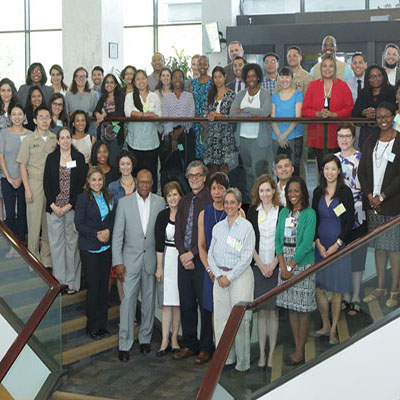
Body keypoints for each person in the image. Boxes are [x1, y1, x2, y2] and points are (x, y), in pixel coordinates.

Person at [113, 169, 165, 362]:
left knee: (149, 302)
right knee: (127, 303)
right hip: (129, 262)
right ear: (136, 182)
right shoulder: (124, 203)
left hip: (151, 260)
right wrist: (117, 261)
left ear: (152, 183)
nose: (144, 185)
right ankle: (124, 343)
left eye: (148, 182)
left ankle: (145, 339)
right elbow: (117, 234)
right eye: (141, 182)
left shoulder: (160, 202)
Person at [208, 187, 255, 372]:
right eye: (226, 202)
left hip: (240, 277)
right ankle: (225, 359)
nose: (228, 206)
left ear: (239, 204)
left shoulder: (246, 227)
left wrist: (229, 277)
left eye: (232, 202)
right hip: (219, 278)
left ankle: (243, 363)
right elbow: (210, 255)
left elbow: (246, 257)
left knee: (241, 320)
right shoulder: (217, 228)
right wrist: (219, 275)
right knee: (221, 320)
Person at [358, 102, 400, 308]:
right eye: (379, 117)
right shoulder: (370, 140)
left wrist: (382, 196)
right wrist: (370, 196)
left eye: (387, 116)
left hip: (392, 203)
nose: (383, 120)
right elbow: (362, 171)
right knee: (379, 248)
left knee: (394, 249)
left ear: (393, 116)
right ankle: (380, 287)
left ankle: (394, 290)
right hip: (372, 203)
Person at [173, 161, 213, 364]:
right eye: (191, 176)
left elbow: (211, 233)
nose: (194, 179)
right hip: (183, 260)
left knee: (205, 306)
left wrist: (193, 254)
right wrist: (183, 253)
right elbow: (178, 230)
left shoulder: (211, 200)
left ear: (204, 177)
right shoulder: (184, 200)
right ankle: (190, 344)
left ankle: (206, 348)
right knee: (186, 304)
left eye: (198, 175)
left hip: (202, 261)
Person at [312, 154, 354, 344]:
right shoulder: (317, 192)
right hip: (320, 248)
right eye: (326, 168)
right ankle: (325, 324)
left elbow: (349, 222)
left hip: (339, 247)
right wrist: (318, 243)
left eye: (333, 168)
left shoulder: (345, 193)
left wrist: (337, 244)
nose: (329, 172)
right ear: (323, 171)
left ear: (339, 171)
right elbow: (314, 220)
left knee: (337, 290)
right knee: (319, 288)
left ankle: (334, 329)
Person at [276, 177, 316, 365]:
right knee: (292, 306)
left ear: (303, 193)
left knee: (303, 308)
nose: (292, 195)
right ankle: (297, 347)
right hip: (285, 266)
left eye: (296, 191)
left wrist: (291, 267)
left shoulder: (309, 214)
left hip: (302, 266)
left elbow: (307, 244)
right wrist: (283, 267)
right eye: (289, 191)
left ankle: (300, 350)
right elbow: (278, 240)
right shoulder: (284, 212)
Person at [44, 128, 86, 294]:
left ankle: (72, 283)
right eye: (62, 138)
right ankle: (59, 283)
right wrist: (54, 205)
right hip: (54, 210)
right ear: (57, 141)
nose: (65, 140)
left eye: (68, 137)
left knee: (72, 246)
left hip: (72, 209)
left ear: (71, 139)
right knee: (56, 246)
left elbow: (81, 185)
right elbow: (46, 184)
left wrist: (69, 205)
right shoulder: (51, 159)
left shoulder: (79, 158)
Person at [75, 166, 115, 339]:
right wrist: (97, 235)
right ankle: (92, 327)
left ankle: (102, 325)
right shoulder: (83, 198)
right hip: (90, 248)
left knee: (103, 288)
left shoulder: (108, 196)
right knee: (93, 288)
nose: (97, 183)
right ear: (88, 181)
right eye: (94, 180)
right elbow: (79, 224)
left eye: (99, 179)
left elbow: (113, 218)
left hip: (106, 248)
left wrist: (108, 231)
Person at [247, 174, 282, 371]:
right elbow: (250, 241)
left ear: (273, 191)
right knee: (261, 313)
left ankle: (271, 355)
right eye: (262, 190)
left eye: (268, 190)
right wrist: (260, 264)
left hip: (276, 267)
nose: (265, 194)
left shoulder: (282, 211)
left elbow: (284, 240)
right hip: (259, 267)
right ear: (257, 193)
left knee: (274, 313)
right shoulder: (252, 211)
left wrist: (274, 264)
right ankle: (261, 354)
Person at [17, 106, 57, 268]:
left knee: (49, 224)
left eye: (47, 117)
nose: (44, 120)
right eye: (41, 117)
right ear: (34, 120)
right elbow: (22, 166)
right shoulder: (28, 140)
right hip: (34, 184)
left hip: (52, 186)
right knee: (33, 225)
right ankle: (33, 260)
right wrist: (27, 188)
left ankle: (47, 260)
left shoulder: (56, 139)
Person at [335, 123, 368, 316]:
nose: (344, 139)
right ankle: (345, 296)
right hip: (338, 215)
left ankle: (355, 296)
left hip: (358, 214)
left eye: (347, 136)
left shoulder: (361, 158)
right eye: (341, 136)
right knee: (342, 256)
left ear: (353, 137)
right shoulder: (334, 159)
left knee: (357, 257)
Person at [302, 53, 353, 171]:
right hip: (317, 135)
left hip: (337, 136)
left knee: (337, 169)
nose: (327, 69)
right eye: (324, 66)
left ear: (335, 69)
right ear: (320, 68)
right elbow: (305, 110)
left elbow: (349, 108)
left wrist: (334, 114)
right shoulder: (313, 86)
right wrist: (317, 114)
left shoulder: (343, 86)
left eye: (331, 66)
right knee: (321, 169)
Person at [230, 63, 272, 203]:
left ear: (258, 77)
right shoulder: (241, 94)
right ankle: (251, 202)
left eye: (253, 76)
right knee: (248, 171)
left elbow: (265, 112)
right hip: (243, 139)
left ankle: (262, 201)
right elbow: (232, 114)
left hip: (259, 140)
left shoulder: (264, 93)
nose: (251, 79)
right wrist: (252, 114)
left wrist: (245, 110)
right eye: (248, 77)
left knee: (257, 171)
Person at [155, 181, 184, 357]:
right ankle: (164, 339)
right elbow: (158, 243)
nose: (173, 198)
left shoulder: (185, 214)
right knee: (166, 304)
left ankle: (174, 339)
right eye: (169, 195)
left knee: (178, 303)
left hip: (181, 260)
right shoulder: (162, 216)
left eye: (175, 194)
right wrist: (159, 268)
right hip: (166, 259)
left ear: (180, 196)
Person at [0, 104, 31, 257]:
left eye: (20, 114)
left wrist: (20, 178)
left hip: (24, 179)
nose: (17, 117)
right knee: (10, 214)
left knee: (23, 213)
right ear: (9, 117)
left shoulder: (30, 134)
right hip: (7, 179)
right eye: (14, 114)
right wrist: (10, 177)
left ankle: (21, 247)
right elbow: (1, 157)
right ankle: (12, 247)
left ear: (24, 116)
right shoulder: (3, 133)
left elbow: (30, 159)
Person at [198, 172, 230, 315]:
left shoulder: (236, 212)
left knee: (231, 310)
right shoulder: (204, 214)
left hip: (231, 271)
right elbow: (201, 246)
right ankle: (217, 339)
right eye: (213, 188)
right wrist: (210, 269)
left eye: (221, 188)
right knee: (214, 311)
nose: (217, 192)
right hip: (211, 271)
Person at [124, 69, 161, 193]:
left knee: (152, 173)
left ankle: (153, 197)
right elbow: (129, 113)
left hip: (151, 142)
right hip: (135, 142)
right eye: (138, 79)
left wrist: (141, 115)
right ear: (134, 82)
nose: (141, 81)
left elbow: (158, 116)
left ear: (147, 80)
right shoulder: (130, 96)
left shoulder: (154, 96)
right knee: (135, 173)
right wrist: (145, 115)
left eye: (143, 78)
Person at [108, 149, 137, 302]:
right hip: (120, 235)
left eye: (128, 164)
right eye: (122, 164)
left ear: (132, 166)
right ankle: (125, 308)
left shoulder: (140, 185)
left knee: (134, 272)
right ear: (118, 167)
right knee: (121, 273)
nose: (125, 167)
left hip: (137, 236)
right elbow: (109, 212)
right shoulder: (112, 188)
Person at [161, 69, 196, 183]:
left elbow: (190, 116)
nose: (177, 79)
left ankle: (187, 188)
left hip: (185, 135)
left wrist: (179, 133)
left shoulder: (189, 96)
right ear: (171, 80)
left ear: (183, 79)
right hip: (170, 137)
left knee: (186, 163)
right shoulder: (166, 98)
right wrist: (173, 137)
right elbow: (166, 117)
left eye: (180, 77)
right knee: (171, 164)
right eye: (175, 77)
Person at [352, 65, 396, 151]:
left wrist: (378, 112)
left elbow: (394, 109)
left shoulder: (391, 91)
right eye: (372, 76)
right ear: (368, 79)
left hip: (385, 130)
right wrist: (364, 112)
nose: (375, 79)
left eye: (379, 75)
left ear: (384, 77)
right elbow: (354, 112)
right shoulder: (363, 92)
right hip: (366, 132)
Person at [203, 66, 236, 175]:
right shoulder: (210, 94)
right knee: (212, 166)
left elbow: (233, 115)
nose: (218, 80)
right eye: (215, 77)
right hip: (212, 134)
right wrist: (209, 115)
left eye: (220, 77)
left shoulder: (231, 94)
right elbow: (205, 111)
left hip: (226, 134)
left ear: (225, 77)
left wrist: (218, 115)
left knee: (224, 166)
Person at [271, 66, 304, 176]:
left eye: (287, 77)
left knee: (294, 170)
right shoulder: (274, 97)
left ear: (292, 79)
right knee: (279, 171)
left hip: (294, 137)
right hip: (277, 139)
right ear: (279, 79)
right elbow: (273, 118)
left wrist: (284, 135)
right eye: (282, 77)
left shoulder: (298, 95)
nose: (284, 80)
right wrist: (279, 136)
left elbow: (297, 117)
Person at [94, 73, 125, 166]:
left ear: (115, 84)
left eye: (112, 82)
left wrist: (105, 115)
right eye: (107, 82)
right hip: (103, 134)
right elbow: (96, 110)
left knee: (113, 162)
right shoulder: (103, 97)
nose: (109, 84)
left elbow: (120, 113)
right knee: (103, 162)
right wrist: (97, 114)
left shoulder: (120, 96)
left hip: (116, 132)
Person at [189, 55, 212, 160]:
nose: (202, 66)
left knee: (210, 155)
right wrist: (199, 119)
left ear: (208, 66)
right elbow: (190, 103)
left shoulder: (213, 82)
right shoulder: (192, 83)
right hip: (196, 122)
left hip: (210, 121)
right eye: (200, 64)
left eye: (205, 64)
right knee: (197, 155)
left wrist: (206, 120)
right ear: (196, 66)